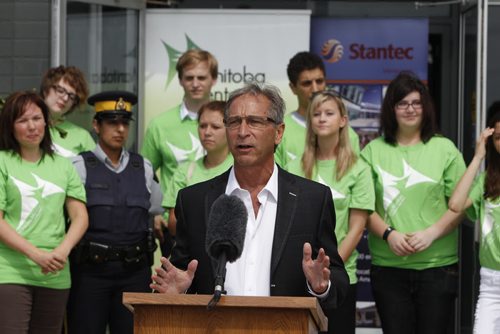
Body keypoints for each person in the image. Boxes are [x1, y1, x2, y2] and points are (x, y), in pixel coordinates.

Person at [150, 82, 349, 316]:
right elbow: (184, 274)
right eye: (234, 122)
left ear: (278, 132)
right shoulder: (194, 201)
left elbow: (337, 280)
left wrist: (320, 286)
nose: (242, 131)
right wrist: (178, 292)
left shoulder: (312, 200)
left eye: (254, 121)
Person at [360, 72, 466, 334]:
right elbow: (362, 206)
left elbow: (461, 205)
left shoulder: (445, 149)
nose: (410, 109)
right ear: (391, 109)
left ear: (425, 106)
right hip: (389, 268)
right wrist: (388, 234)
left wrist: (431, 233)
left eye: (416, 103)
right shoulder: (373, 151)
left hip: (437, 268)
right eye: (402, 103)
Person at [67, 91, 163, 334]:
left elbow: (157, 215)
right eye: (112, 122)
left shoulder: (143, 167)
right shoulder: (79, 166)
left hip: (134, 273)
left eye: (124, 123)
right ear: (96, 125)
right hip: (90, 274)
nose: (120, 129)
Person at [0, 91, 88, 333]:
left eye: (37, 118)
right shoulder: (2, 161)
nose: (31, 126)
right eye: (22, 120)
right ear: (10, 126)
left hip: (56, 272)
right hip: (10, 271)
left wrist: (63, 250)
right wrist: (37, 255)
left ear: (46, 122)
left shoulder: (63, 165)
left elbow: (80, 216)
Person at [286, 91, 374, 334]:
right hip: (298, 276)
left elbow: (356, 229)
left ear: (343, 120)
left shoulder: (359, 169)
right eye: (316, 114)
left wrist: (326, 269)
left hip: (340, 277)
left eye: (329, 113)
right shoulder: (293, 167)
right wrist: (308, 272)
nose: (321, 119)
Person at [141, 49, 218, 255]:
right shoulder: (160, 124)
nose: (195, 83)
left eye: (201, 77)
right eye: (189, 77)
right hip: (174, 227)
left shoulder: (229, 121)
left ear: (214, 79)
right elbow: (144, 173)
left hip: (220, 227)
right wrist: (155, 211)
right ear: (180, 81)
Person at [448, 110, 500, 334]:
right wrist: (478, 156)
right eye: (498, 137)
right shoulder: (488, 178)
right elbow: (456, 204)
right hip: (491, 283)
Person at [161, 101, 233, 240]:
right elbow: (173, 225)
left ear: (230, 129)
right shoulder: (185, 171)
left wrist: (192, 215)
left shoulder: (240, 170)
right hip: (192, 255)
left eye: (215, 127)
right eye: (202, 126)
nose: (207, 132)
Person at [275, 51, 359, 168]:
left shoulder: (348, 134)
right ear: (293, 88)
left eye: (319, 81)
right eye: (307, 83)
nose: (315, 89)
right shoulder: (279, 132)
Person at [40, 65, 95, 157]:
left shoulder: (82, 136)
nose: (65, 98)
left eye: (72, 96)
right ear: (46, 89)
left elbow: (95, 169)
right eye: (61, 90)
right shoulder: (27, 126)